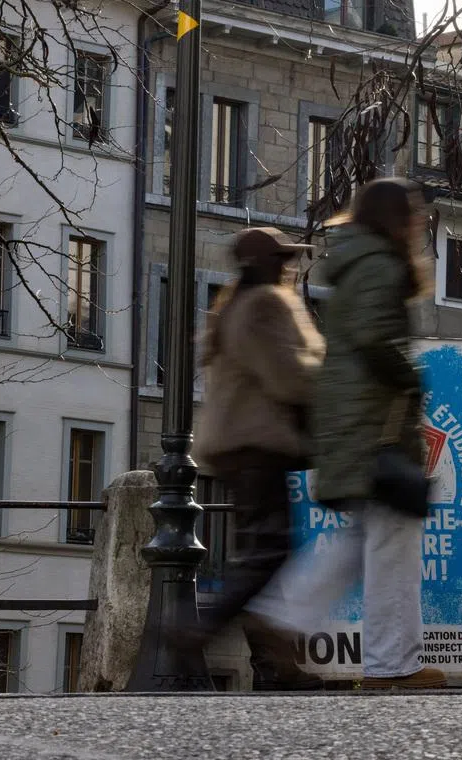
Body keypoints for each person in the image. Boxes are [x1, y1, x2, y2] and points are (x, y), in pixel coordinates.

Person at [246, 177, 447, 689]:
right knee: (389, 539)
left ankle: (283, 615)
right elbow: (376, 338)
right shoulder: (381, 265)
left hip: (353, 424)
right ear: (395, 219)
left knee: (366, 539)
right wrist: (412, 377)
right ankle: (389, 664)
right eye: (414, 214)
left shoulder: (358, 264)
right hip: (372, 427)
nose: (420, 223)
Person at [190, 226, 327, 690]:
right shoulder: (266, 304)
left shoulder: (231, 308)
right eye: (282, 258)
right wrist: (333, 381)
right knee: (269, 552)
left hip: (235, 447)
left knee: (260, 553)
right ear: (263, 264)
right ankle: (199, 629)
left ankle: (277, 666)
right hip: (257, 446)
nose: (288, 266)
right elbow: (289, 375)